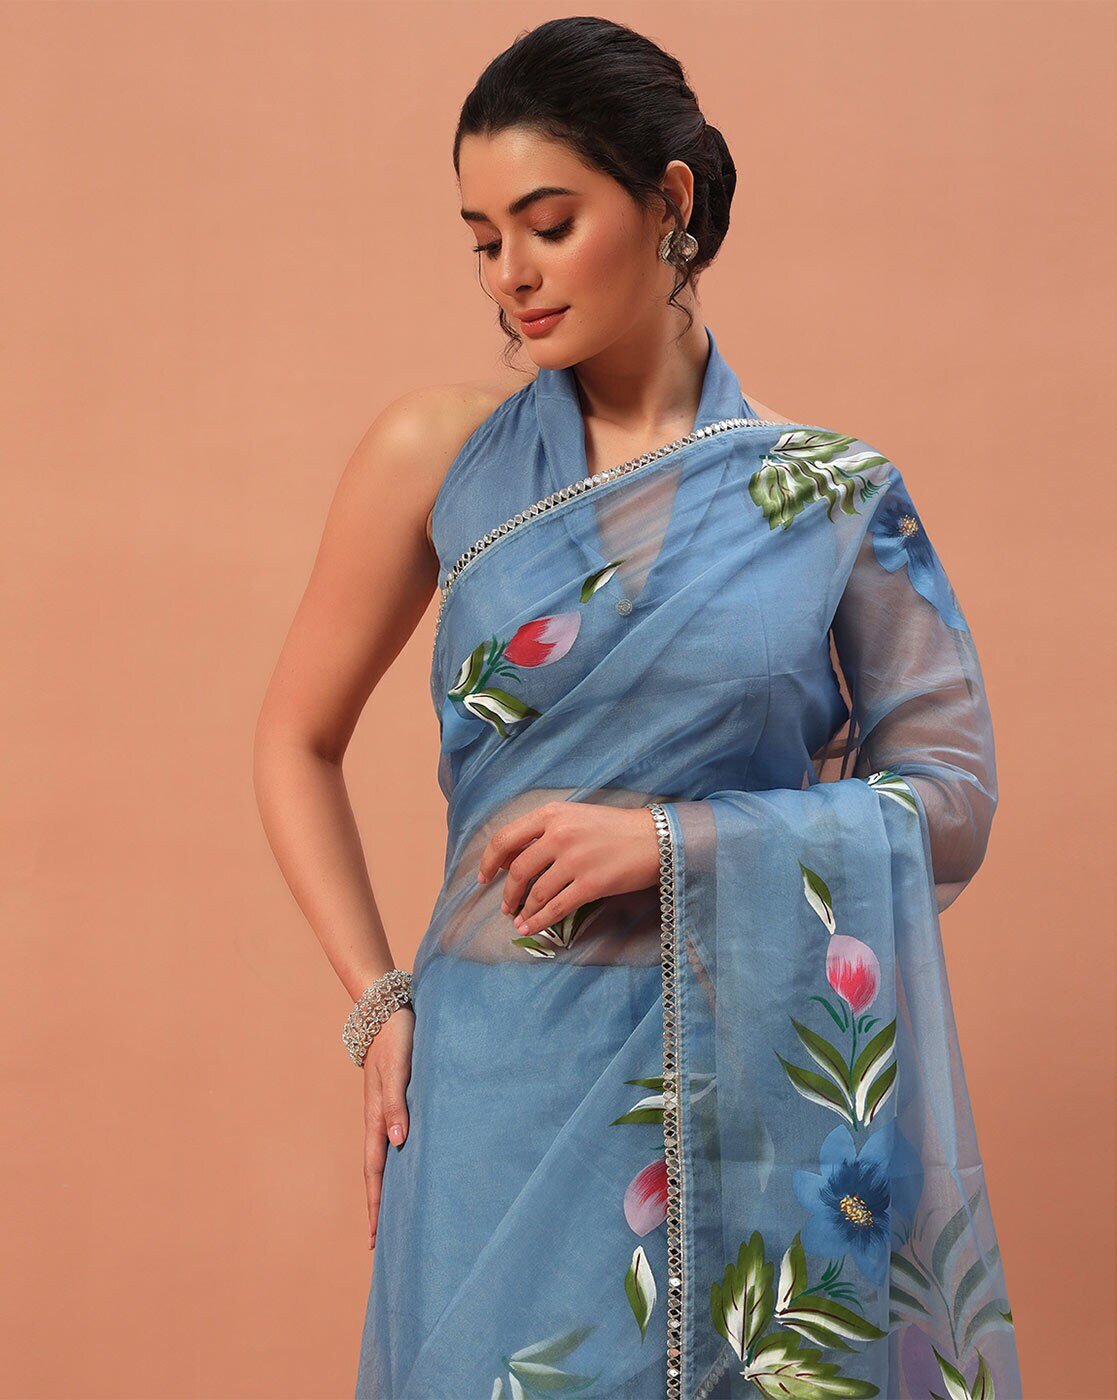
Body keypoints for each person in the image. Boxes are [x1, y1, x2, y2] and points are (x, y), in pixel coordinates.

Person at [253, 17, 1023, 1400]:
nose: (511, 273)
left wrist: (674, 842)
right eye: (482, 238)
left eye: (548, 224)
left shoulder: (827, 495)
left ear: (669, 202)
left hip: (747, 1090)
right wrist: (378, 1003)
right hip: (493, 1091)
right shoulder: (439, 457)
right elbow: (293, 741)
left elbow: (950, 802)